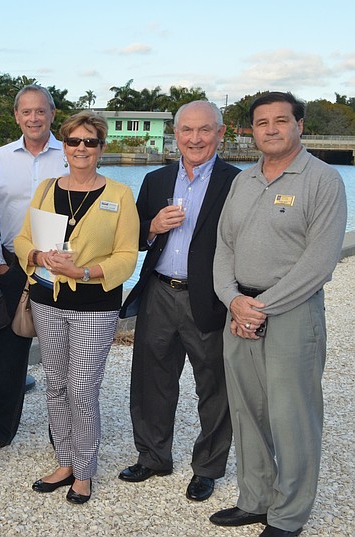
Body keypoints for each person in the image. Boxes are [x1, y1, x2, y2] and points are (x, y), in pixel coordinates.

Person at [210, 92, 346, 537]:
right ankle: (255, 499)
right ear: (252, 130)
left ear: (299, 125)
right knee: (247, 412)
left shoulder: (323, 180)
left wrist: (258, 309)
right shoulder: (243, 180)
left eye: (281, 120)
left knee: (293, 417)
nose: (271, 128)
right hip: (239, 312)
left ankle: (288, 517)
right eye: (262, 122)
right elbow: (224, 245)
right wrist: (232, 299)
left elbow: (319, 261)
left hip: (289, 314)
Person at [14, 111, 138, 504]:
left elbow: (126, 257)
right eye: (73, 141)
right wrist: (35, 255)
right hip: (47, 300)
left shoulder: (119, 195)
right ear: (63, 147)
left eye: (89, 142)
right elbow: (21, 238)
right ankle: (64, 460)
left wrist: (83, 271)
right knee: (55, 385)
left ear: (101, 148)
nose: (81, 148)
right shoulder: (47, 188)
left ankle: (84, 470)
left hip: (95, 304)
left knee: (83, 390)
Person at [117, 101, 239, 501]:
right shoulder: (156, 179)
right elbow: (132, 239)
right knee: (151, 381)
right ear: (176, 134)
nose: (195, 138)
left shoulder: (237, 183)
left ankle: (207, 469)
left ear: (220, 134)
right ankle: (153, 457)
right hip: (158, 292)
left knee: (214, 386)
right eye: (187, 130)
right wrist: (151, 226)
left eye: (205, 130)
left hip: (208, 298)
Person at [0, 85, 66, 458]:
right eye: (26, 112)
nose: (33, 118)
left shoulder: (69, 155)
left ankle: (62, 433)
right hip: (13, 264)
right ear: (16, 116)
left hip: (62, 266)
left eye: (40, 111)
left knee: (62, 354)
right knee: (7, 354)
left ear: (52, 114)